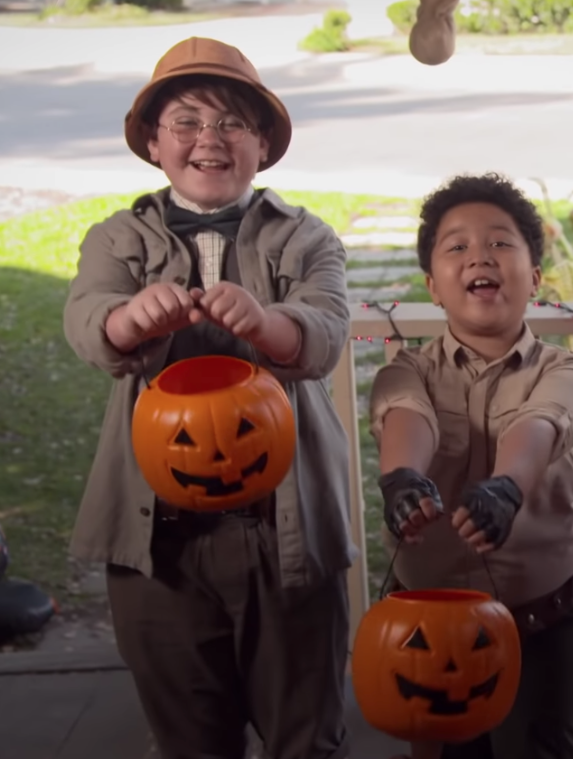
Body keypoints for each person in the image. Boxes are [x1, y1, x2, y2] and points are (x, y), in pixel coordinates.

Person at [62, 37, 354, 759]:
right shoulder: (116, 237)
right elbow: (87, 319)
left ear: (262, 143)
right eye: (186, 121)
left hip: (284, 528)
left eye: (231, 122)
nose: (209, 139)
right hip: (159, 538)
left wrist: (267, 322)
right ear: (154, 142)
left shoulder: (306, 237)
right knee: (190, 740)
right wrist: (128, 318)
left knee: (305, 737)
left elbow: (324, 329)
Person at [369, 172, 573, 759]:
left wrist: (506, 487)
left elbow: (539, 425)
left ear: (536, 277)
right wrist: (403, 478)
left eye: (499, 242)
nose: (480, 257)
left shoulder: (563, 370)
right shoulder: (406, 369)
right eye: (457, 246)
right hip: (428, 637)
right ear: (433, 286)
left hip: (541, 627)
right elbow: (407, 416)